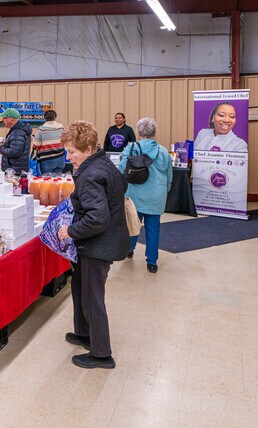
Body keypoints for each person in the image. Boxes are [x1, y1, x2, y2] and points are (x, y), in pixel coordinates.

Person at [57, 120, 129, 370]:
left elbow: (98, 217)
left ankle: (101, 353)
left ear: (87, 149)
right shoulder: (103, 163)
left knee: (91, 297)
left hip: (97, 246)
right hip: (104, 241)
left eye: (73, 152)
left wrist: (70, 230)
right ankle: (84, 333)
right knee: (80, 288)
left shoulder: (89, 174)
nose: (69, 157)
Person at [118, 117, 173, 273]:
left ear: (138, 132)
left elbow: (121, 168)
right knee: (153, 228)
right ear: (154, 132)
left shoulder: (130, 148)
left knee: (133, 225)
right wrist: (165, 190)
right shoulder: (163, 151)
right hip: (157, 195)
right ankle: (152, 262)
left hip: (134, 194)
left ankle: (129, 249)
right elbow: (169, 175)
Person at [0, 108, 31, 174]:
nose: (3, 120)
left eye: (4, 118)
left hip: (14, 172)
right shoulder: (18, 131)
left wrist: (0, 147)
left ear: (11, 119)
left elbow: (14, 152)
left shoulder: (17, 133)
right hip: (17, 169)